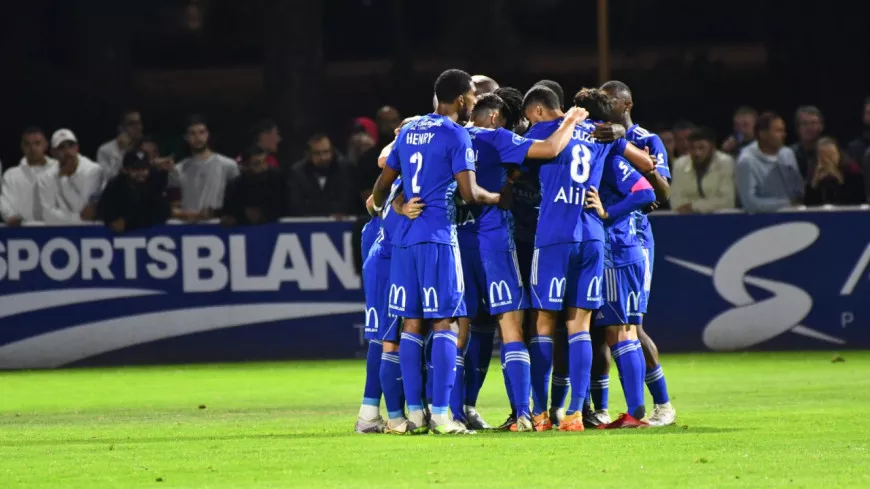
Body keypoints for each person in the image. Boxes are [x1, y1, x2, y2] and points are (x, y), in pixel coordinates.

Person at [370, 68, 503, 435]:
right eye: (472, 96)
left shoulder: (409, 129)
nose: (474, 102)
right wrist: (497, 197)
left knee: (410, 324)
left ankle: (415, 415)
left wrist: (397, 205)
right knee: (445, 322)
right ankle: (443, 415)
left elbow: (380, 188)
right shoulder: (456, 134)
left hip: (405, 243)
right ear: (461, 99)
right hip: (439, 238)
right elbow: (469, 193)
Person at [451, 93, 587, 431]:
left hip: (455, 241)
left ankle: (451, 414)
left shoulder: (449, 135)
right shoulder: (496, 136)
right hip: (493, 239)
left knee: (456, 331)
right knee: (511, 326)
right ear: (495, 117)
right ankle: (525, 415)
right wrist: (570, 119)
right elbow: (550, 148)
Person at [522, 86, 655, 432]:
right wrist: (620, 131)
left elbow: (515, 158)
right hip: (593, 236)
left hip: (554, 235)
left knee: (544, 323)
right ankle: (576, 414)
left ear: (539, 110)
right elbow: (647, 165)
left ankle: (539, 413)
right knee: (580, 325)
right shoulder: (602, 134)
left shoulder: (544, 130)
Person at [599, 80, 676, 427]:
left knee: (632, 324)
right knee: (606, 325)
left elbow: (662, 191)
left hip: (633, 238)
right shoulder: (598, 136)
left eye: (609, 102)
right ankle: (602, 406)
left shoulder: (646, 140)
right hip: (604, 240)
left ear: (626, 105)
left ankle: (662, 404)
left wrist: (643, 169)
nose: (604, 108)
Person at [584, 144, 657, 428]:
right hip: (617, 253)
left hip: (617, 253)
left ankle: (634, 412)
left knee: (622, 332)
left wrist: (607, 212)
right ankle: (631, 411)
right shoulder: (598, 158)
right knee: (618, 332)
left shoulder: (612, 161)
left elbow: (646, 192)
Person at [169, 115, 240, 222]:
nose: (198, 137)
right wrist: (192, 216)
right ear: (186, 137)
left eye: (202, 132)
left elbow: (237, 200)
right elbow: (173, 206)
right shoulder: (177, 169)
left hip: (218, 225)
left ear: (207, 134)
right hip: (188, 228)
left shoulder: (228, 165)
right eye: (193, 133)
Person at [736, 112, 805, 213]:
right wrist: (786, 205)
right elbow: (750, 203)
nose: (784, 135)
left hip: (794, 217)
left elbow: (798, 190)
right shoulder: (746, 161)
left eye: (783, 131)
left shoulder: (788, 153)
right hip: (763, 222)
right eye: (778, 131)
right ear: (763, 134)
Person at [38, 129, 105, 225]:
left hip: (89, 231)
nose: (67, 151)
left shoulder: (93, 171)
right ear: (53, 152)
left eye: (71, 145)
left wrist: (64, 178)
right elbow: (47, 215)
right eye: (61, 147)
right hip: (59, 231)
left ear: (77, 148)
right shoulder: (45, 178)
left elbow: (84, 210)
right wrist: (77, 218)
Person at [97, 149, 170, 232]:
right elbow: (103, 209)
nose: (141, 173)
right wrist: (112, 220)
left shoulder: (154, 182)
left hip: (150, 234)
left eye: (144, 168)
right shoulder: (115, 186)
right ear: (125, 170)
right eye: (136, 169)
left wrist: (128, 223)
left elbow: (162, 212)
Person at [287, 134, 356, 217]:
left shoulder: (344, 170)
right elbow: (297, 207)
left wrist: (314, 205)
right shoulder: (298, 172)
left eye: (326, 152)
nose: (323, 157)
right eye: (317, 153)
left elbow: (345, 203)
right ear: (309, 155)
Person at [670, 127, 737, 213]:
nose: (697, 153)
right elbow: (676, 202)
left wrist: (693, 206)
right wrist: (710, 204)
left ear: (712, 148)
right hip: (686, 220)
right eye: (692, 148)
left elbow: (727, 201)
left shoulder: (725, 162)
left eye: (701, 148)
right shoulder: (679, 164)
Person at [1, 127, 58, 225]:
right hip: (21, 232)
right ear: (22, 146)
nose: (33, 148)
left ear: (45, 145)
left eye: (37, 143)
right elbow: (4, 201)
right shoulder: (11, 175)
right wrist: (10, 217)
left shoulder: (59, 169)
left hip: (57, 229)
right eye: (28, 144)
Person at [220, 145, 286, 226]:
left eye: (265, 161)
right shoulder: (234, 186)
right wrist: (242, 215)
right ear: (245, 165)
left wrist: (263, 215)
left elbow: (285, 207)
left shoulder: (277, 178)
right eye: (257, 164)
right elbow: (229, 213)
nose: (264, 167)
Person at [804, 137, 865, 206]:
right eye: (824, 155)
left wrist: (839, 179)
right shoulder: (813, 172)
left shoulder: (852, 170)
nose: (828, 159)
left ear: (838, 153)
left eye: (831, 154)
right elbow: (808, 203)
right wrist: (815, 182)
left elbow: (858, 199)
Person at [97, 109, 144, 179]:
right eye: (132, 124)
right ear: (121, 128)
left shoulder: (144, 147)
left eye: (139, 123)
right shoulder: (105, 150)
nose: (138, 127)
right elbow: (106, 178)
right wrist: (121, 151)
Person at [790, 106, 825, 179]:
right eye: (805, 123)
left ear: (821, 126)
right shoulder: (789, 154)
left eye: (813, 123)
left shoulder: (830, 153)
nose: (809, 127)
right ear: (798, 128)